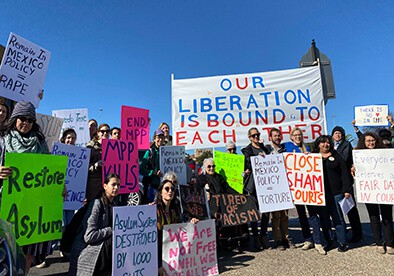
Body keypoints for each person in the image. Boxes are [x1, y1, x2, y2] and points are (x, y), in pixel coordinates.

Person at [2, 101, 52, 272]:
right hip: (8, 205)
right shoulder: (3, 140)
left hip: (33, 205)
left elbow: (50, 169)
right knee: (7, 249)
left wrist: (60, 186)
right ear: (15, 118)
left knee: (28, 251)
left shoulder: (40, 142)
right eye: (22, 118)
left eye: (30, 119)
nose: (26, 123)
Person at [69, 173, 120, 275]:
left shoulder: (112, 204)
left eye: (118, 185)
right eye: (113, 184)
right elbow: (89, 236)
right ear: (105, 186)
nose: (116, 188)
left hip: (102, 252)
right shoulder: (97, 204)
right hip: (89, 252)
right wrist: (112, 230)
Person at [355, 132, 394, 254]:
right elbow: (356, 170)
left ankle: (389, 243)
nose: (371, 143)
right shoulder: (359, 155)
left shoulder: (385, 153)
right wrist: (353, 169)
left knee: (387, 217)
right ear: (364, 142)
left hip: (384, 190)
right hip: (369, 191)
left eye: (373, 140)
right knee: (374, 217)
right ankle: (378, 242)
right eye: (368, 141)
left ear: (377, 141)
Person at [313, 135, 351, 252]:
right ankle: (329, 241)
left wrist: (346, 190)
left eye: (328, 142)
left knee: (338, 218)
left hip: (336, 193)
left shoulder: (337, 157)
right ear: (318, 144)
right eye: (323, 142)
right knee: (324, 219)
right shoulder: (313, 158)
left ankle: (342, 241)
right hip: (320, 194)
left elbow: (344, 174)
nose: (326, 145)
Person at [155, 179, 199, 275]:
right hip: (158, 253)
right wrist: (157, 264)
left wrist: (191, 223)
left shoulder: (176, 210)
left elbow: (182, 228)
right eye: (167, 189)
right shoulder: (154, 210)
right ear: (161, 192)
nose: (170, 191)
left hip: (172, 254)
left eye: (172, 189)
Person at [331, 126, 363, 242]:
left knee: (350, 208)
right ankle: (341, 233)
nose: (337, 135)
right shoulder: (329, 144)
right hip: (334, 181)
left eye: (339, 133)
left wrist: (331, 156)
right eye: (335, 133)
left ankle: (357, 233)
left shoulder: (346, 145)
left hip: (346, 181)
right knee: (336, 210)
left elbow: (343, 159)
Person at [284, 127, 313, 250]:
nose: (297, 137)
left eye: (299, 135)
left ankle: (316, 239)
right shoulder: (286, 146)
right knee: (301, 214)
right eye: (295, 135)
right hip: (296, 187)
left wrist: (309, 156)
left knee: (313, 213)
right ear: (291, 137)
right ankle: (307, 238)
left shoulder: (307, 148)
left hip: (308, 185)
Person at [241, 127, 270, 250]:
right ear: (249, 138)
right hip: (253, 186)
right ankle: (256, 238)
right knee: (254, 212)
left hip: (266, 184)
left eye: (257, 135)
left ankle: (263, 235)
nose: (256, 137)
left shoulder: (265, 149)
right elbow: (244, 166)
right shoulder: (246, 151)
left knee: (266, 212)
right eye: (253, 136)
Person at [266, 128, 292, 250]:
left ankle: (286, 238)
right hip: (273, 188)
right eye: (275, 136)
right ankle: (278, 240)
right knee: (276, 216)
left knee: (285, 214)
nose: (277, 137)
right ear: (270, 137)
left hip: (284, 185)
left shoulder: (285, 150)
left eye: (279, 135)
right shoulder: (266, 150)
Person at [85, 123, 110, 202]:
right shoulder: (90, 147)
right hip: (94, 185)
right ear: (98, 132)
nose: (105, 133)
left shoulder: (113, 147)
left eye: (107, 131)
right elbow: (84, 166)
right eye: (102, 131)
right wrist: (96, 165)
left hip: (107, 184)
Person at [140, 129, 164, 203]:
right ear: (154, 139)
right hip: (152, 186)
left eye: (162, 137)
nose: (160, 139)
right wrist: (153, 172)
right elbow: (141, 169)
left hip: (163, 187)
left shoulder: (168, 152)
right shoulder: (149, 152)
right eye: (158, 137)